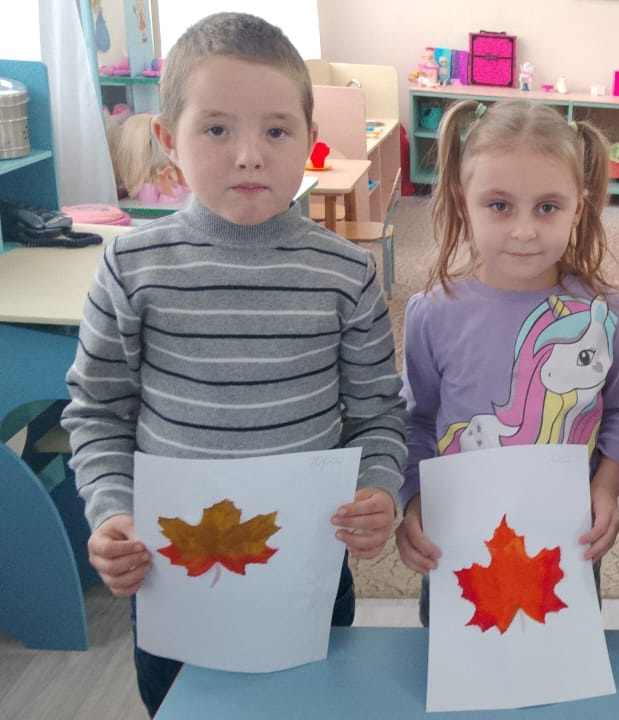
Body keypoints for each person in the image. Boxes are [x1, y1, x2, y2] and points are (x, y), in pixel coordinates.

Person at [61, 13, 406, 716]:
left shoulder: (346, 274)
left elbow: (378, 412)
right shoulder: (131, 267)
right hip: (172, 574)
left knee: (311, 702)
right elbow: (97, 413)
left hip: (304, 565)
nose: (249, 155)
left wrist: (377, 487)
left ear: (310, 140)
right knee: (184, 705)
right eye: (216, 129)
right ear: (169, 140)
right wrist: (113, 510)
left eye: (276, 131)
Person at [392, 100, 619, 624]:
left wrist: (606, 488)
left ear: (579, 209)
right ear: (463, 204)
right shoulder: (433, 314)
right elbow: (417, 421)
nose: (525, 230)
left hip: (567, 540)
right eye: (500, 205)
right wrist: (414, 499)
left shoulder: (602, 312)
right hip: (460, 539)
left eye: (547, 207)